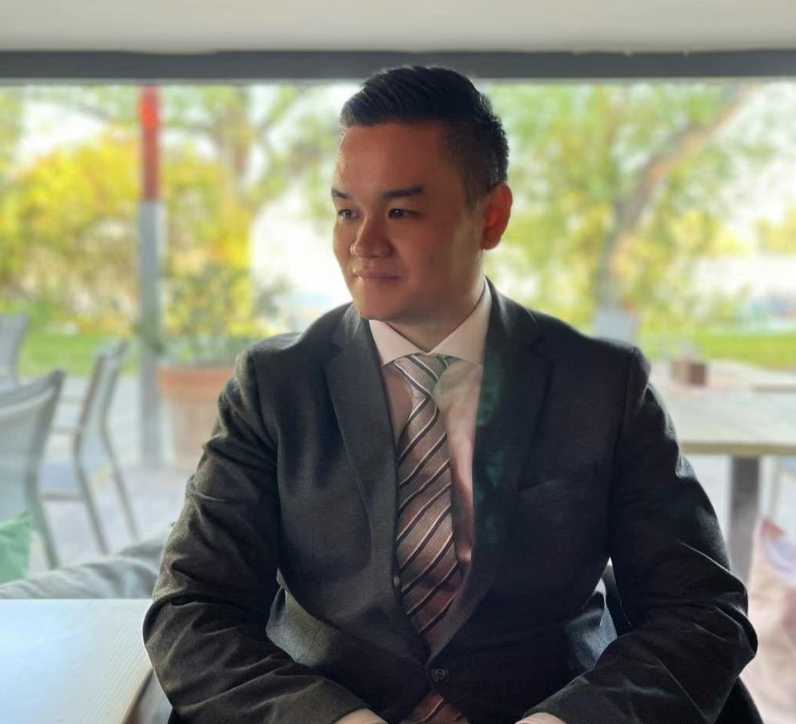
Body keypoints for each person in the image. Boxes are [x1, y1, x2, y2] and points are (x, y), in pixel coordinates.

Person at [144, 66, 757, 724]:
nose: (362, 243)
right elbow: (191, 610)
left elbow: (702, 611)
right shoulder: (274, 386)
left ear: (491, 216)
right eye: (347, 211)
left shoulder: (603, 385)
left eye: (400, 212)